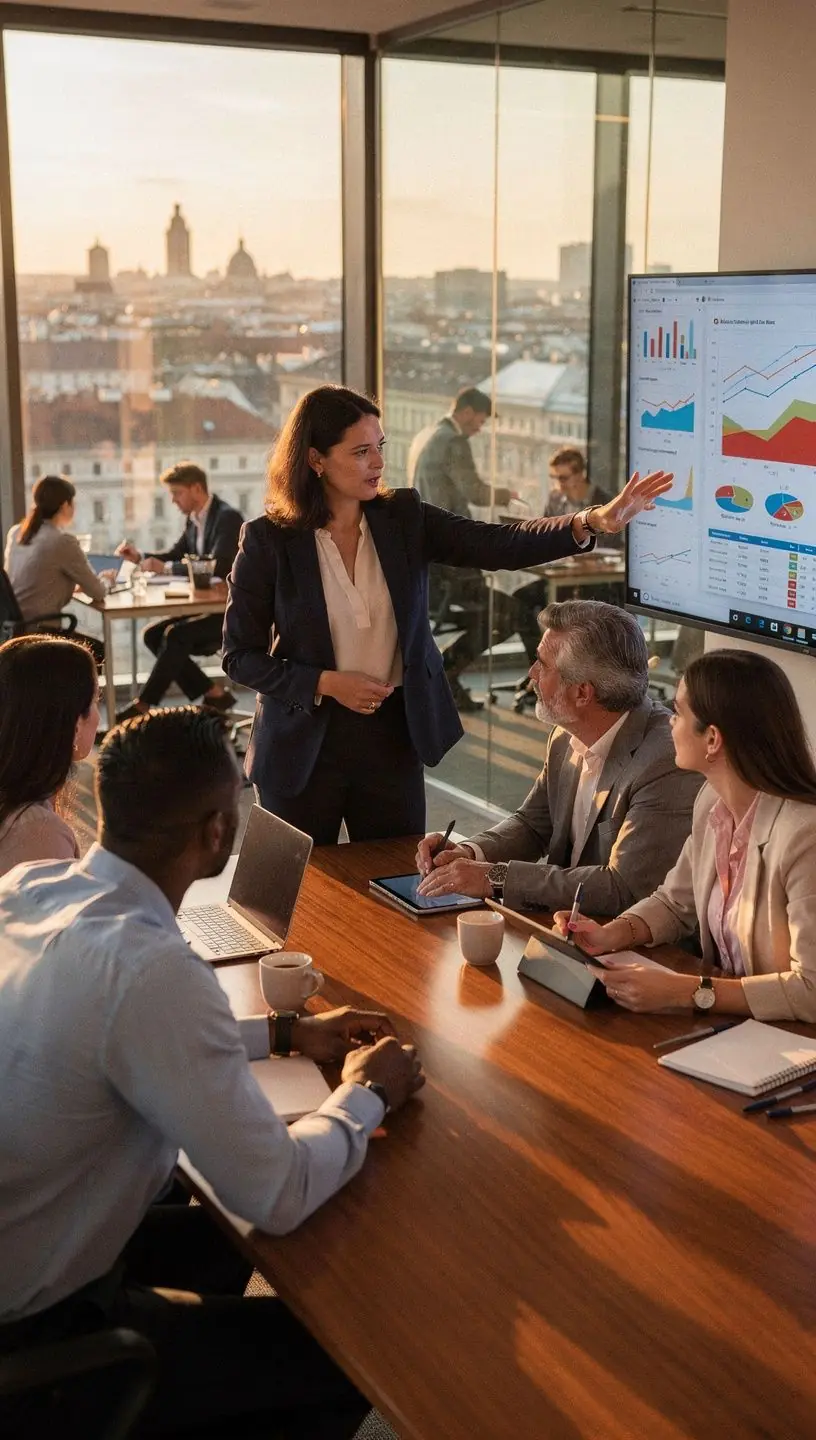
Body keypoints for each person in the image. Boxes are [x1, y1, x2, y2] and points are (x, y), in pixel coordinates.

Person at [0, 706, 424, 1438]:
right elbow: (277, 1192)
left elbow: (112, 1033)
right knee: (349, 1356)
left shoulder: (35, 889)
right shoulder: (154, 969)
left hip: (29, 1240)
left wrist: (287, 1032)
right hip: (41, 1332)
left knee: (231, 1248)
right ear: (218, 832)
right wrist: (369, 1093)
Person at [223, 384, 673, 846]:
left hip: (392, 736)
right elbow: (240, 657)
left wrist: (591, 521)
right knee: (299, 899)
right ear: (315, 459)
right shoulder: (267, 540)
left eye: (380, 447)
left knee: (394, 884)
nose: (378, 463)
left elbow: (498, 542)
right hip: (301, 742)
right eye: (361, 452)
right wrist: (325, 682)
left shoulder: (403, 516)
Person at [552, 649, 816, 1022]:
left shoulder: (805, 836)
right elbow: (675, 904)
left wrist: (685, 991)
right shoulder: (711, 801)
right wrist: (611, 934)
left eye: (677, 713)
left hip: (791, 1044)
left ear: (712, 739)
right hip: (737, 1028)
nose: (669, 724)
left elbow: (811, 990)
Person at [417, 600, 702, 913]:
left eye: (543, 664)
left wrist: (496, 877)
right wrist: (470, 853)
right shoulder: (565, 734)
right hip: (565, 925)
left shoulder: (665, 762)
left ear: (582, 693)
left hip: (629, 944)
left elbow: (623, 888)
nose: (531, 673)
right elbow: (533, 825)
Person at [408, 387, 513, 711]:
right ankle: (446, 676)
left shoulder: (426, 435)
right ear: (467, 411)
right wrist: (507, 495)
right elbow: (475, 491)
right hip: (453, 563)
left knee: (501, 612)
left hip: (431, 561)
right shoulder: (454, 442)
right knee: (507, 615)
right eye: (480, 421)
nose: (479, 428)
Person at [115, 461, 243, 719]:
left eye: (177, 493)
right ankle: (213, 694)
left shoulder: (227, 518)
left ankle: (143, 705)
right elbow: (175, 555)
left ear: (196, 488)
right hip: (206, 607)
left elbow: (217, 566)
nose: (173, 501)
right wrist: (140, 557)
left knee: (176, 635)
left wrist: (167, 568)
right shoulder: (194, 520)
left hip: (230, 613)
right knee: (152, 634)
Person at [0, 634, 99, 876]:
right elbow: (61, 914)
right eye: (97, 700)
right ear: (74, 725)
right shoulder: (38, 833)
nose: (99, 716)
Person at [4, 473, 112, 664]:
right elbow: (98, 591)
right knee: (98, 652)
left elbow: (31, 580)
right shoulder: (62, 541)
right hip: (41, 631)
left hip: (12, 631)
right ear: (65, 505)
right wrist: (107, 580)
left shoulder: (16, 533)